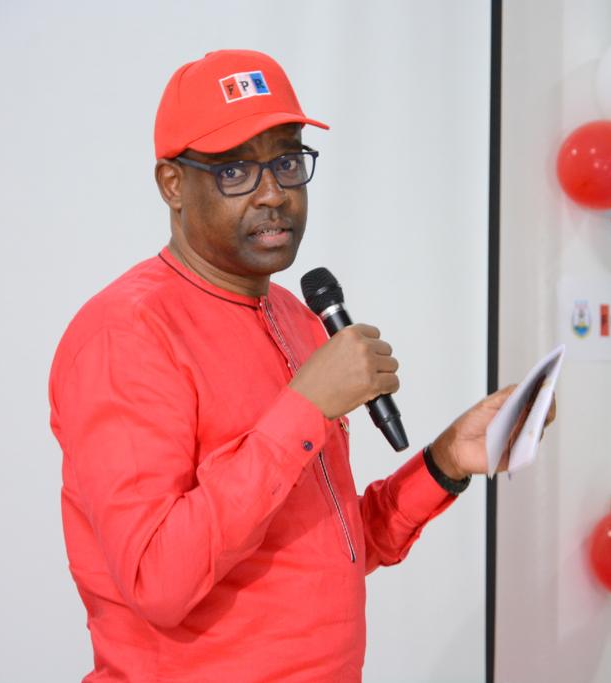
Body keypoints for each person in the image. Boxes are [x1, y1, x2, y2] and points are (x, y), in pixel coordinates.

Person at [48, 49, 553, 682]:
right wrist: (305, 408)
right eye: (236, 170)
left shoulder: (295, 316)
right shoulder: (127, 334)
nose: (274, 194)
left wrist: (445, 461)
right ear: (173, 185)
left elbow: (326, 545)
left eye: (287, 162)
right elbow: (159, 580)